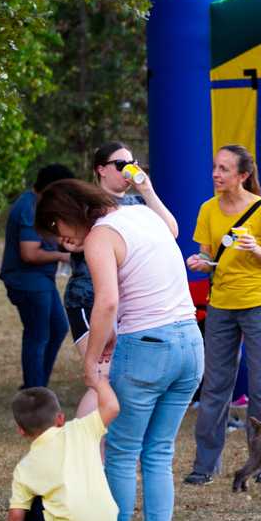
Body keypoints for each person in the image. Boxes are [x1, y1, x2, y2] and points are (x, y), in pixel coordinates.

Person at [34, 177, 203, 521]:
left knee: (123, 454)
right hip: (190, 344)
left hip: (146, 348)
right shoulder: (142, 215)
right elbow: (144, 286)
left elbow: (107, 301)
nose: (61, 242)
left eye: (57, 231)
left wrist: (91, 362)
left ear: (65, 217)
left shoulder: (100, 238)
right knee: (159, 454)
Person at [183, 146, 261, 487]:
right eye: (215, 167)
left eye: (224, 169)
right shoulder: (208, 209)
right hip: (221, 305)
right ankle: (204, 465)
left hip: (257, 303)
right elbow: (207, 254)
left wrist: (255, 249)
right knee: (214, 385)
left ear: (243, 176)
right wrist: (200, 261)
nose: (216, 174)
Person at [63, 144, 177, 389]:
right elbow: (68, 239)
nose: (129, 169)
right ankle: (95, 426)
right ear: (101, 170)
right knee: (103, 377)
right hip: (89, 298)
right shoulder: (85, 203)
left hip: (128, 304)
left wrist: (148, 190)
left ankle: (112, 425)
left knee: (125, 379)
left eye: (132, 163)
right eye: (121, 165)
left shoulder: (138, 203)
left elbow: (171, 231)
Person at [4, 368, 120, 521]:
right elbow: (112, 407)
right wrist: (99, 381)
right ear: (60, 418)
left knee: (32, 508)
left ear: (20, 430)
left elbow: (15, 516)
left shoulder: (26, 467)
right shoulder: (82, 429)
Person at [0, 165, 72, 389]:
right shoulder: (29, 207)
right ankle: (34, 390)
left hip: (41, 279)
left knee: (58, 328)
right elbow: (29, 253)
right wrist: (64, 255)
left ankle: (38, 383)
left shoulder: (39, 203)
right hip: (27, 280)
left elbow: (48, 236)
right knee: (37, 335)